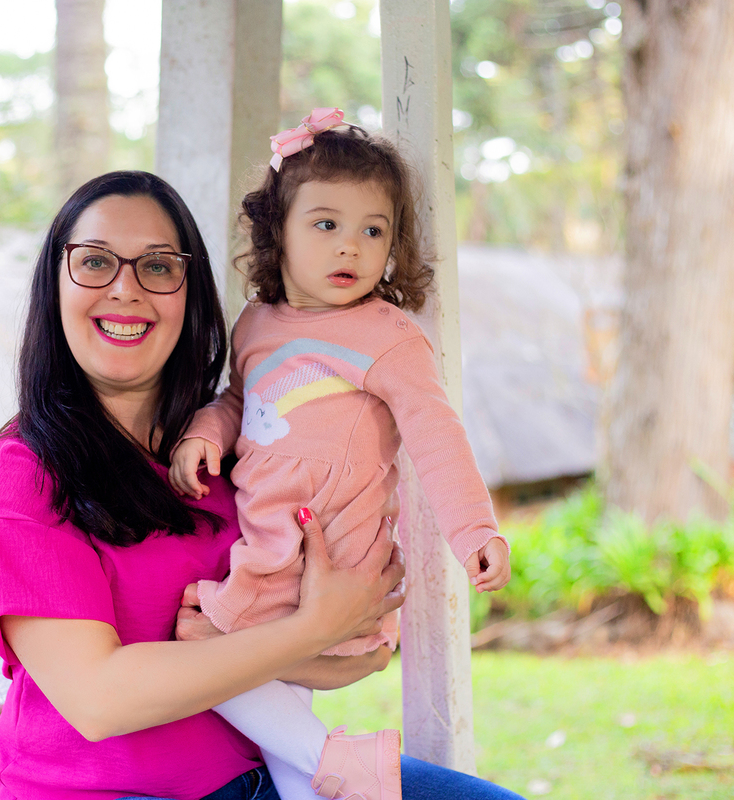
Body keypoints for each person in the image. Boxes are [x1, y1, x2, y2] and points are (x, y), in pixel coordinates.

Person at [0, 169, 525, 800]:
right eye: (93, 262)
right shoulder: (23, 475)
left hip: (267, 775)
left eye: (157, 267)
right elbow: (100, 699)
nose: (126, 289)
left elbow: (331, 650)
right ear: (53, 286)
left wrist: (334, 630)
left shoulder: (224, 448)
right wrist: (314, 630)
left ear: (190, 290)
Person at [168, 109, 512, 800]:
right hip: (268, 538)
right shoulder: (256, 324)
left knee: (202, 651)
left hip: (333, 542)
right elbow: (244, 400)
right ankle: (334, 768)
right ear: (278, 234)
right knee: (258, 689)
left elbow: (435, 433)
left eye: (373, 230)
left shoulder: (387, 336)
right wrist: (208, 429)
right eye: (326, 224)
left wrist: (475, 529)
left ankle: (332, 759)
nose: (350, 247)